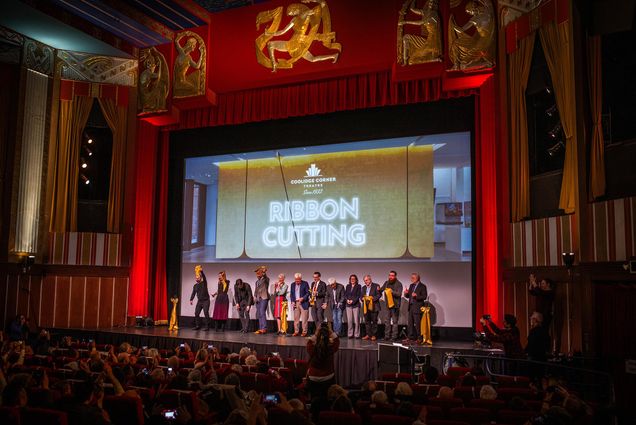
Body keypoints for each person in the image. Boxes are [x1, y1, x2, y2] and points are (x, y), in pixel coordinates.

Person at [306, 322, 340, 400]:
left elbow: (309, 342)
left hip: (313, 377)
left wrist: (316, 333)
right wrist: (331, 331)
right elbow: (337, 341)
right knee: (327, 397)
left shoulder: (311, 348)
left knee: (314, 397)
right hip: (327, 377)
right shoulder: (330, 348)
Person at [403, 273, 428, 343]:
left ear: (417, 278)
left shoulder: (422, 286)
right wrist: (406, 293)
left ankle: (420, 338)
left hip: (417, 308)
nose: (411, 279)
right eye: (411, 278)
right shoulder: (411, 285)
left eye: (413, 278)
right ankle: (410, 337)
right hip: (411, 307)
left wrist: (417, 295)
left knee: (418, 324)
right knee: (410, 323)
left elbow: (424, 296)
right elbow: (409, 296)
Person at [380, 270, 403, 341]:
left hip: (395, 306)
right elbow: (381, 289)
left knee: (395, 322)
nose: (390, 277)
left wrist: (391, 291)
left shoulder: (399, 284)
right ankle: (387, 336)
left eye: (392, 275)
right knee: (387, 321)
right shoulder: (386, 283)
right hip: (387, 305)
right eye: (389, 275)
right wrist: (378, 289)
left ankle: (394, 337)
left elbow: (399, 294)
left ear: (395, 276)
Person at [361, 275, 381, 341]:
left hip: (374, 306)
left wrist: (372, 298)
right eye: (364, 281)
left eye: (366, 280)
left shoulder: (376, 286)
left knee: (374, 321)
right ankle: (368, 334)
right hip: (366, 307)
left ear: (370, 279)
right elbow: (361, 296)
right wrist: (362, 298)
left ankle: (374, 335)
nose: (365, 282)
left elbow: (379, 295)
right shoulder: (363, 287)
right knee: (367, 321)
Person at [190, 265, 210, 331]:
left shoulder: (204, 283)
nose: (196, 278)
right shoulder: (195, 286)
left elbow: (204, 277)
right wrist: (191, 299)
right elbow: (193, 293)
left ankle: (207, 326)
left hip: (206, 301)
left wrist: (201, 271)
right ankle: (197, 325)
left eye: (197, 277)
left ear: (200, 278)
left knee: (206, 312)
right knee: (196, 313)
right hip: (200, 301)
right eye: (196, 277)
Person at [253, 265, 270, 334]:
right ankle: (260, 328)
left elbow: (265, 276)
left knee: (262, 312)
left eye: (258, 273)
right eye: (256, 274)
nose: (257, 275)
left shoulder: (266, 279)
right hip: (258, 299)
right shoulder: (257, 282)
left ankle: (264, 328)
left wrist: (263, 272)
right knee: (259, 313)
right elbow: (256, 290)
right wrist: (254, 296)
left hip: (264, 297)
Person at [344, 274, 362, 338]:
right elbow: (345, 295)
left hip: (355, 305)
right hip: (348, 305)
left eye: (354, 279)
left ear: (356, 280)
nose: (352, 280)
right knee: (349, 321)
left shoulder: (359, 286)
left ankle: (357, 334)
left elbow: (358, 295)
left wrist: (353, 301)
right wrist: (347, 300)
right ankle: (350, 334)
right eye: (351, 279)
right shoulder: (348, 286)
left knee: (356, 321)